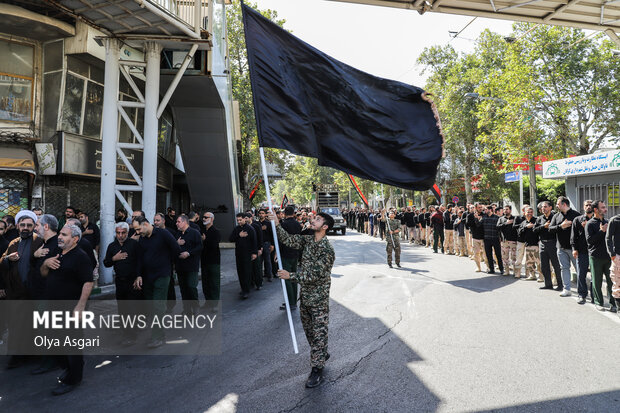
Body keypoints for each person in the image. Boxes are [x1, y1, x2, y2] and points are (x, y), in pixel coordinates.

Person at [269, 209, 335, 388]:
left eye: (318, 219)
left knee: (319, 334)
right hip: (305, 298)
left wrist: (290, 275)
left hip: (319, 301)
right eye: (315, 218)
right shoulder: (307, 240)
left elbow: (315, 275)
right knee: (310, 334)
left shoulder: (327, 250)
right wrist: (276, 223)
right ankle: (321, 353)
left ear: (325, 227)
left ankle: (316, 370)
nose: (313, 220)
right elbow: (289, 240)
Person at [40, 224, 94, 395]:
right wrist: (46, 263)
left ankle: (74, 378)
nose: (60, 237)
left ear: (75, 239)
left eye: (64, 235)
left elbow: (88, 282)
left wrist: (80, 306)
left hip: (71, 308)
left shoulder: (81, 257)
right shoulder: (56, 251)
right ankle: (69, 367)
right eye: (60, 234)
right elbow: (43, 273)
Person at [0, 210, 44, 368]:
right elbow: (2, 261)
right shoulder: (13, 243)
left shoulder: (39, 241)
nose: (25, 228)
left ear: (33, 226)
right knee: (15, 326)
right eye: (23, 225)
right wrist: (8, 259)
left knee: (31, 325)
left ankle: (31, 355)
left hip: (31, 292)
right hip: (16, 293)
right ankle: (16, 356)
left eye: (29, 225)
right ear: (17, 226)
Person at [132, 216, 183, 348]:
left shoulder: (163, 234)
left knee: (158, 306)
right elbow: (139, 259)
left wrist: (167, 265)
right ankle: (157, 332)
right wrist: (138, 275)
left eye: (138, 229)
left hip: (162, 275)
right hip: (147, 277)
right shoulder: (142, 239)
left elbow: (176, 250)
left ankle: (158, 337)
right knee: (150, 306)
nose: (137, 233)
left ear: (146, 224)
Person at [103, 221, 141, 345]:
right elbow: (106, 262)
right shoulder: (112, 246)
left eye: (123, 233)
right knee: (122, 308)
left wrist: (138, 277)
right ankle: (126, 332)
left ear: (127, 232)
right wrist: (115, 258)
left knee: (132, 308)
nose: (120, 235)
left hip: (132, 281)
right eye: (118, 233)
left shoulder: (134, 245)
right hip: (120, 281)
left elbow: (140, 262)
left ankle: (132, 335)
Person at [586, 201, 616, 312]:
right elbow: (589, 241)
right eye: (602, 207)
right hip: (595, 257)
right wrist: (601, 231)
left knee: (611, 281)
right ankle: (599, 303)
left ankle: (613, 304)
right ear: (595, 210)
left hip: (609, 257)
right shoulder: (590, 224)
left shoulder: (608, 222)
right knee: (597, 281)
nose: (605, 209)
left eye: (605, 207)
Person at [549, 196, 580, 297]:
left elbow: (581, 232)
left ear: (564, 204)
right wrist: (561, 226)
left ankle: (581, 290)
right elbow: (550, 229)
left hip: (574, 249)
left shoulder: (576, 215)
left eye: (558, 204)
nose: (557, 206)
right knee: (564, 268)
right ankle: (566, 289)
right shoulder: (556, 216)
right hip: (561, 248)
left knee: (579, 269)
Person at [175, 214, 202, 315]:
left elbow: (199, 247)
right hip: (180, 266)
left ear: (185, 222)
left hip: (191, 266)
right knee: (183, 289)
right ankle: (186, 309)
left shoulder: (195, 233)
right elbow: (172, 247)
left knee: (191, 287)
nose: (176, 223)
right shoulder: (177, 234)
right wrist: (176, 243)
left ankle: (195, 306)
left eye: (178, 222)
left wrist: (188, 253)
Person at [534, 201, 562, 290]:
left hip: (553, 243)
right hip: (542, 244)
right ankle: (548, 284)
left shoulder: (555, 217)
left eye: (545, 207)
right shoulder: (539, 219)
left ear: (550, 207)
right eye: (542, 207)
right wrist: (543, 226)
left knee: (556, 265)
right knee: (544, 266)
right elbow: (534, 230)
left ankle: (560, 285)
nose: (543, 208)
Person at [229, 213, 257, 299]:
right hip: (238, 254)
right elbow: (230, 239)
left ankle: (246, 290)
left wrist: (254, 253)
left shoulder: (250, 229)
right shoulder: (236, 229)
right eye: (237, 220)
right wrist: (239, 235)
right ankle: (243, 288)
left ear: (245, 219)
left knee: (246, 272)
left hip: (247, 254)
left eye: (240, 220)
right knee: (240, 272)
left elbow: (254, 241)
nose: (239, 222)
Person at [279, 206, 302, 310]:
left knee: (287, 277)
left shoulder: (283, 225)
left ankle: (290, 302)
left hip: (285, 253)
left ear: (284, 213)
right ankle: (293, 301)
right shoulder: (298, 224)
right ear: (293, 213)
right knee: (293, 277)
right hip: (295, 253)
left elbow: (280, 239)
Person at [153, 213, 177, 312]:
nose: (155, 223)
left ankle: (170, 305)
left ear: (163, 221)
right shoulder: (152, 232)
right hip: (155, 264)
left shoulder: (171, 232)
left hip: (168, 264)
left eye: (157, 220)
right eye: (154, 220)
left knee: (169, 285)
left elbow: (175, 248)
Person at [571, 200, 594, 304]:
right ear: (583, 207)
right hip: (582, 251)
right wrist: (574, 249)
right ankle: (582, 295)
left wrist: (588, 227)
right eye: (586, 205)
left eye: (590, 205)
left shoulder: (598, 220)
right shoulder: (577, 219)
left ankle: (595, 296)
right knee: (581, 274)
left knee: (595, 275)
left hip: (595, 252)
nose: (588, 207)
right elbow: (573, 236)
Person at [200, 212, 221, 302]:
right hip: (204, 261)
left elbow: (213, 245)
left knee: (214, 283)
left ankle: (215, 304)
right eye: (203, 217)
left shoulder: (216, 231)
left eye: (206, 217)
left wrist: (205, 240)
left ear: (212, 219)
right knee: (205, 283)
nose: (204, 219)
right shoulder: (202, 231)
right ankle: (208, 301)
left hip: (213, 261)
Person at [518, 207, 540, 281]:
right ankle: (532, 275)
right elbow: (519, 233)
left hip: (536, 245)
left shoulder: (536, 220)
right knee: (529, 262)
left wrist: (533, 226)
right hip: (527, 245)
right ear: (524, 213)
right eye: (528, 212)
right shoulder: (523, 222)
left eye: (531, 212)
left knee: (539, 262)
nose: (529, 213)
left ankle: (541, 276)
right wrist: (526, 227)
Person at [605, 210, 620, 315]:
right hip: (618, 257)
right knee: (617, 283)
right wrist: (612, 254)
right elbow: (608, 238)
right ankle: (618, 307)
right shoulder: (614, 220)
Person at [481, 205, 504, 275]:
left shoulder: (497, 218)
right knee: (489, 255)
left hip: (495, 238)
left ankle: (501, 269)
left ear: (490, 210)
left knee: (498, 255)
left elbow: (500, 228)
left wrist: (501, 238)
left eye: (486, 209)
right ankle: (491, 269)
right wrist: (476, 218)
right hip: (486, 239)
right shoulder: (483, 218)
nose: (484, 211)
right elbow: (479, 225)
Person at [498, 205, 518, 277]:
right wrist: (506, 223)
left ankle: (515, 272)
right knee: (504, 257)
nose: (505, 211)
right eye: (504, 209)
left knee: (514, 257)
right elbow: (497, 227)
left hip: (513, 241)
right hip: (504, 241)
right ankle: (506, 271)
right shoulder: (501, 219)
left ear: (510, 210)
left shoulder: (515, 218)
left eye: (507, 209)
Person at [246, 212, 264, 290]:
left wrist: (260, 248)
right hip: (247, 250)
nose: (245, 220)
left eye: (247, 218)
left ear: (251, 218)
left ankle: (259, 283)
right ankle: (250, 283)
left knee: (257, 267)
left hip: (256, 249)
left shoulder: (256, 226)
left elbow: (260, 238)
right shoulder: (244, 227)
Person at [467, 203, 486, 272]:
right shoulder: (470, 215)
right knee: (476, 253)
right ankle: (478, 267)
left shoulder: (484, 215)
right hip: (475, 237)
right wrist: (475, 219)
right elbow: (468, 224)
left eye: (481, 207)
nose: (480, 208)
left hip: (484, 237)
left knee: (485, 253)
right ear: (475, 208)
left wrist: (480, 219)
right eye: (479, 207)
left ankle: (488, 267)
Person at [513, 205, 530, 279]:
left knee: (528, 258)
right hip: (520, 240)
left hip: (529, 240)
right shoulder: (518, 218)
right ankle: (517, 273)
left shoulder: (532, 218)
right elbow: (514, 227)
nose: (528, 212)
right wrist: (524, 225)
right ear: (523, 210)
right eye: (526, 209)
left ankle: (528, 273)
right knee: (519, 257)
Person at [258, 209, 274, 282]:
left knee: (267, 260)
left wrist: (272, 245)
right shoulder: (256, 224)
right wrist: (260, 229)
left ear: (265, 214)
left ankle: (269, 275)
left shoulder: (268, 223)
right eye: (260, 213)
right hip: (259, 244)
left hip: (266, 243)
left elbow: (272, 234)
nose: (261, 214)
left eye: (262, 213)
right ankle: (259, 276)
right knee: (259, 261)